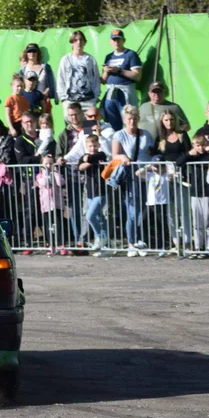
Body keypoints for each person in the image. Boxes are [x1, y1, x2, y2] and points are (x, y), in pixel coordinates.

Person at [112, 104, 154, 256]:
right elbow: (114, 155)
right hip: (130, 176)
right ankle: (131, 242)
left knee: (142, 210)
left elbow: (152, 151)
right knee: (132, 210)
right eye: (130, 118)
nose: (132, 121)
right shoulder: (119, 135)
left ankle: (140, 240)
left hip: (146, 175)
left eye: (135, 118)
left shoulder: (146, 134)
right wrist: (122, 156)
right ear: (124, 120)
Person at [100, 29, 142, 131]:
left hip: (125, 91)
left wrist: (119, 71)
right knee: (111, 122)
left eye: (118, 39)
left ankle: (131, 141)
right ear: (110, 42)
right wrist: (106, 71)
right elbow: (103, 80)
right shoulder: (108, 57)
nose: (116, 42)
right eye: (114, 40)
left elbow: (137, 76)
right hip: (110, 92)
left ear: (124, 40)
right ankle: (115, 142)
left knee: (129, 119)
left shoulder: (131, 54)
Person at [78, 133, 109, 255]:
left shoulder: (101, 154)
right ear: (86, 146)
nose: (93, 148)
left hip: (100, 191)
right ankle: (104, 244)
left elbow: (92, 158)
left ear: (98, 145)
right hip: (89, 192)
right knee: (99, 218)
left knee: (90, 215)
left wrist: (89, 160)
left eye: (95, 146)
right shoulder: (84, 156)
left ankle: (99, 237)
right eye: (90, 146)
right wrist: (88, 161)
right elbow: (80, 167)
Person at [57, 30, 100, 112]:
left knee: (90, 124)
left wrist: (95, 98)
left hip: (88, 101)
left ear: (84, 42)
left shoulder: (90, 59)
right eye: (76, 40)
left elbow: (96, 79)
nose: (79, 42)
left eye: (81, 40)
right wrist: (63, 100)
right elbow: (60, 79)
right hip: (70, 101)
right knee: (72, 125)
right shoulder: (65, 60)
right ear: (71, 42)